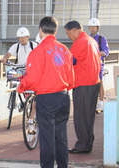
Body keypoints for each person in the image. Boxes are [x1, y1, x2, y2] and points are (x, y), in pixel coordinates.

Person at [17, 16, 74, 168]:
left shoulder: (38, 51)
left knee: (47, 137)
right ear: (55, 31)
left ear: (41, 30)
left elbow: (32, 78)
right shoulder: (64, 49)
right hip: (63, 97)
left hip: (46, 98)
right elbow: (71, 79)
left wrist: (21, 86)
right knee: (61, 137)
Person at [64, 21, 101, 154]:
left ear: (74, 30)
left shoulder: (80, 42)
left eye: (68, 33)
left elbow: (71, 60)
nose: (68, 36)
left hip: (83, 83)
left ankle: (82, 145)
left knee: (80, 116)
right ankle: (87, 143)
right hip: (94, 82)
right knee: (88, 116)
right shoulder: (91, 40)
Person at [1, 27, 37, 136]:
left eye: (24, 37)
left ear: (28, 37)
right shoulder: (15, 46)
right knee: (12, 80)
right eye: (20, 37)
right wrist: (4, 58)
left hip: (32, 71)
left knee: (34, 93)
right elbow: (8, 54)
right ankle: (16, 101)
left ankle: (29, 105)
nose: (22, 39)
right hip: (20, 70)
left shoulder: (34, 45)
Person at [88, 18, 109, 113]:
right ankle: (91, 104)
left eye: (94, 27)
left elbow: (106, 51)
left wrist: (97, 53)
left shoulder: (102, 38)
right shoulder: (86, 38)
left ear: (98, 28)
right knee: (89, 84)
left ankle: (100, 103)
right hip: (88, 65)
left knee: (100, 83)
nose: (92, 29)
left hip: (98, 64)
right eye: (90, 27)